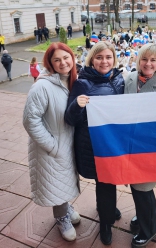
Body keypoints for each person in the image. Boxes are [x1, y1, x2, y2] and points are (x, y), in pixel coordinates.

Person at [64, 41, 124, 246]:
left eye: (108, 57)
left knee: (110, 179)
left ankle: (106, 208)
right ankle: (105, 223)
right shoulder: (83, 83)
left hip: (113, 141)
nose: (104, 61)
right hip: (92, 144)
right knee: (104, 181)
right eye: (99, 57)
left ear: (114, 59)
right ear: (91, 60)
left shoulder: (118, 79)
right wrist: (77, 106)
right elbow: (70, 119)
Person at [22, 43, 81, 242]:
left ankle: (65, 207)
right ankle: (61, 216)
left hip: (67, 141)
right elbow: (30, 120)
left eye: (66, 57)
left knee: (64, 180)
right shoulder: (42, 86)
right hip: (51, 145)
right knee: (55, 182)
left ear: (72, 58)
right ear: (50, 63)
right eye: (57, 59)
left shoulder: (73, 80)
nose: (63, 62)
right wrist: (52, 145)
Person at [125, 43, 156, 248]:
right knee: (136, 188)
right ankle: (142, 217)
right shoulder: (129, 79)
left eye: (153, 60)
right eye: (144, 59)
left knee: (144, 189)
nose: (148, 63)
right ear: (138, 60)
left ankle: (149, 229)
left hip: (148, 147)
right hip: (129, 144)